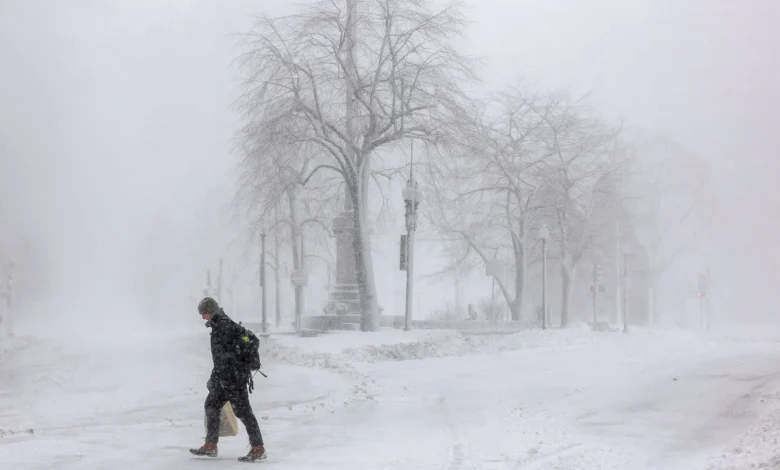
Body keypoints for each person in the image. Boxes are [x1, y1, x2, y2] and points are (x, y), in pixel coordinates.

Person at [189, 297, 266, 462]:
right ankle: (211, 444)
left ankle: (258, 447)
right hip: (223, 379)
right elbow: (220, 359)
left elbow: (228, 358)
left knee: (244, 412)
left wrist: (227, 377)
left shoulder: (224, 326)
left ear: (212, 310)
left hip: (233, 379)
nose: (203, 316)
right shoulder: (218, 325)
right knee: (211, 405)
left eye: (205, 313)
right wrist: (215, 378)